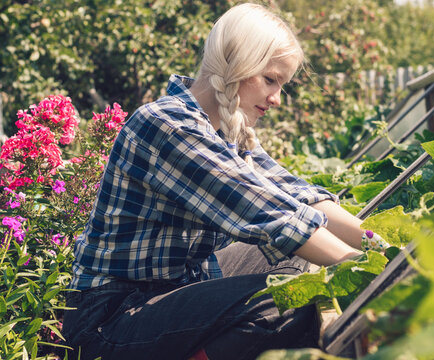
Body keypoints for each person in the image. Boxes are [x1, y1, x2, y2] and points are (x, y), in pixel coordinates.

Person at [62, 3, 389, 360]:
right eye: (270, 80)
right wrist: (373, 277)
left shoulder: (228, 131)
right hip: (110, 321)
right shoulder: (169, 126)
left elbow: (297, 196)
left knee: (298, 271)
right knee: (285, 303)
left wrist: (385, 250)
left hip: (172, 291)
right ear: (238, 64)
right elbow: (272, 215)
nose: (277, 99)